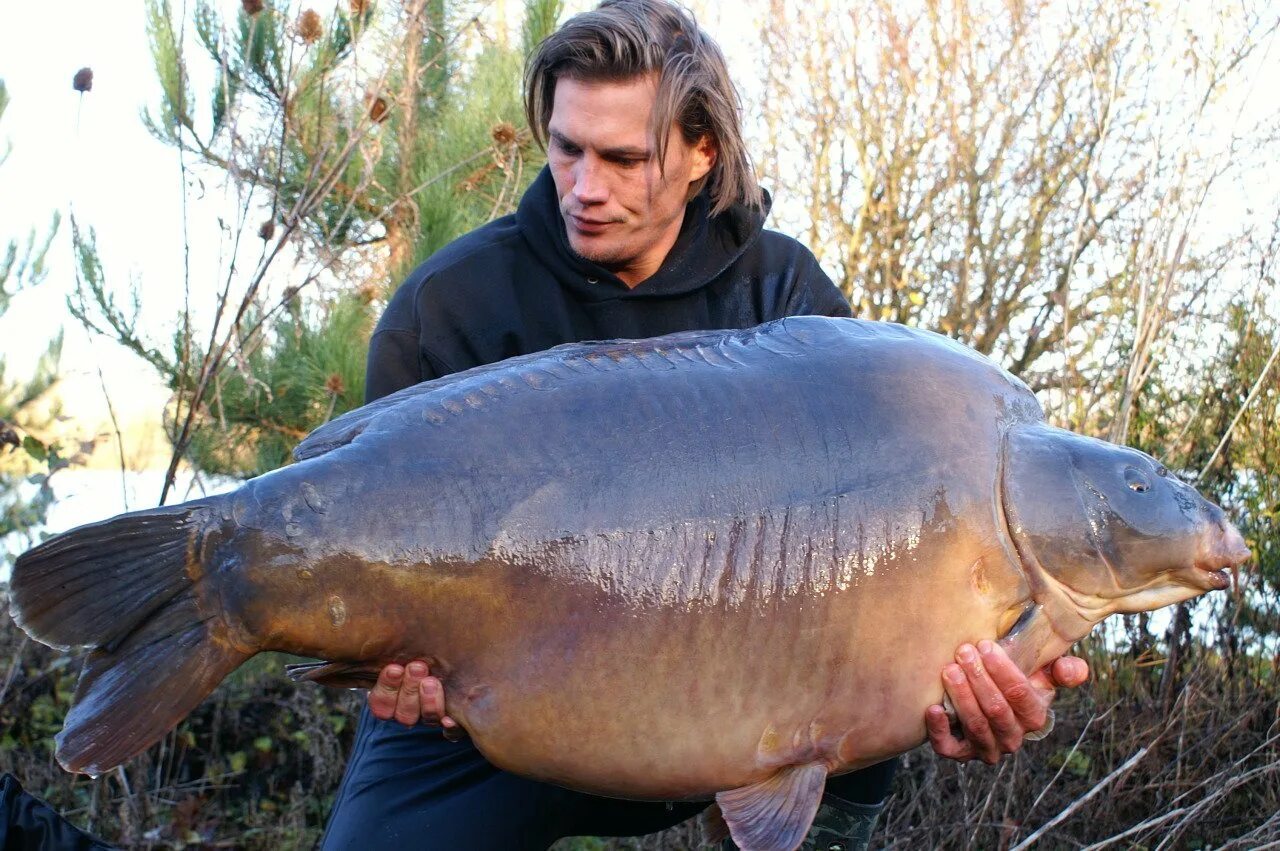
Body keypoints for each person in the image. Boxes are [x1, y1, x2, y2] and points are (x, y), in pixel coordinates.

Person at [320, 2, 1090, 848]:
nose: (583, 187)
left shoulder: (786, 300)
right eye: (566, 148)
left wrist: (990, 666)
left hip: (741, 704)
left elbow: (899, 529)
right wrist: (398, 666)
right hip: (488, 724)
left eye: (622, 159)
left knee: (867, 688)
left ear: (701, 153)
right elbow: (370, 554)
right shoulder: (449, 308)